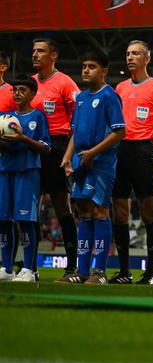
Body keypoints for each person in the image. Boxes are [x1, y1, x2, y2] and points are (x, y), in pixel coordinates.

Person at [60, 51, 126, 285]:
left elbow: (120, 132)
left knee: (99, 211)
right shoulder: (81, 98)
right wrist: (68, 157)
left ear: (104, 71)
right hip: (81, 159)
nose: (86, 70)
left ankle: (99, 272)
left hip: (102, 162)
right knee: (84, 212)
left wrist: (94, 153)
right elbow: (75, 131)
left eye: (92, 66)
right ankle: (82, 271)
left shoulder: (110, 96)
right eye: (84, 66)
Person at [110, 40, 153, 285]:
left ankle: (150, 273)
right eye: (128, 53)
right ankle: (124, 271)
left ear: (147, 58)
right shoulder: (119, 87)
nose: (130, 57)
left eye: (136, 53)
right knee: (119, 213)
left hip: (143, 150)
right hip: (120, 150)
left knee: (148, 211)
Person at [32, 37, 81, 282]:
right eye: (33, 50)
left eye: (41, 51)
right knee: (29, 208)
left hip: (57, 146)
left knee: (62, 206)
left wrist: (70, 152)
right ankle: (28, 266)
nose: (35, 54)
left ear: (53, 56)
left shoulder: (64, 82)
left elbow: (81, 113)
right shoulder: (28, 85)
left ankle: (72, 266)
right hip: (30, 148)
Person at [0, 77, 50, 281]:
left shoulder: (38, 117)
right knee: (3, 220)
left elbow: (46, 148)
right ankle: (7, 269)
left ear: (32, 93)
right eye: (15, 90)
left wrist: (23, 138)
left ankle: (29, 269)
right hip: (5, 170)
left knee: (25, 220)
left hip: (28, 171)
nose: (17, 93)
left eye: (22, 89)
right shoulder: (5, 117)